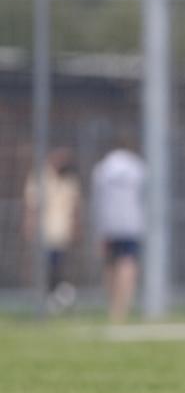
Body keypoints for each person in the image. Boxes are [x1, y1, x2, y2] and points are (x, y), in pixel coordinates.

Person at [91, 138, 146, 323]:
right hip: (132, 222)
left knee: (110, 264)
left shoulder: (102, 169)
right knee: (128, 263)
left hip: (108, 223)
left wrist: (98, 230)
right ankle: (123, 308)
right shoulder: (137, 167)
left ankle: (112, 308)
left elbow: (97, 201)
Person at [24, 147, 82, 311]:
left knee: (58, 269)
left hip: (62, 233)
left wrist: (76, 228)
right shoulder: (40, 177)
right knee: (46, 269)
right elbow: (32, 206)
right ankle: (49, 300)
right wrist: (30, 226)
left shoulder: (70, 179)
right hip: (44, 232)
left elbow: (75, 207)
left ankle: (56, 301)